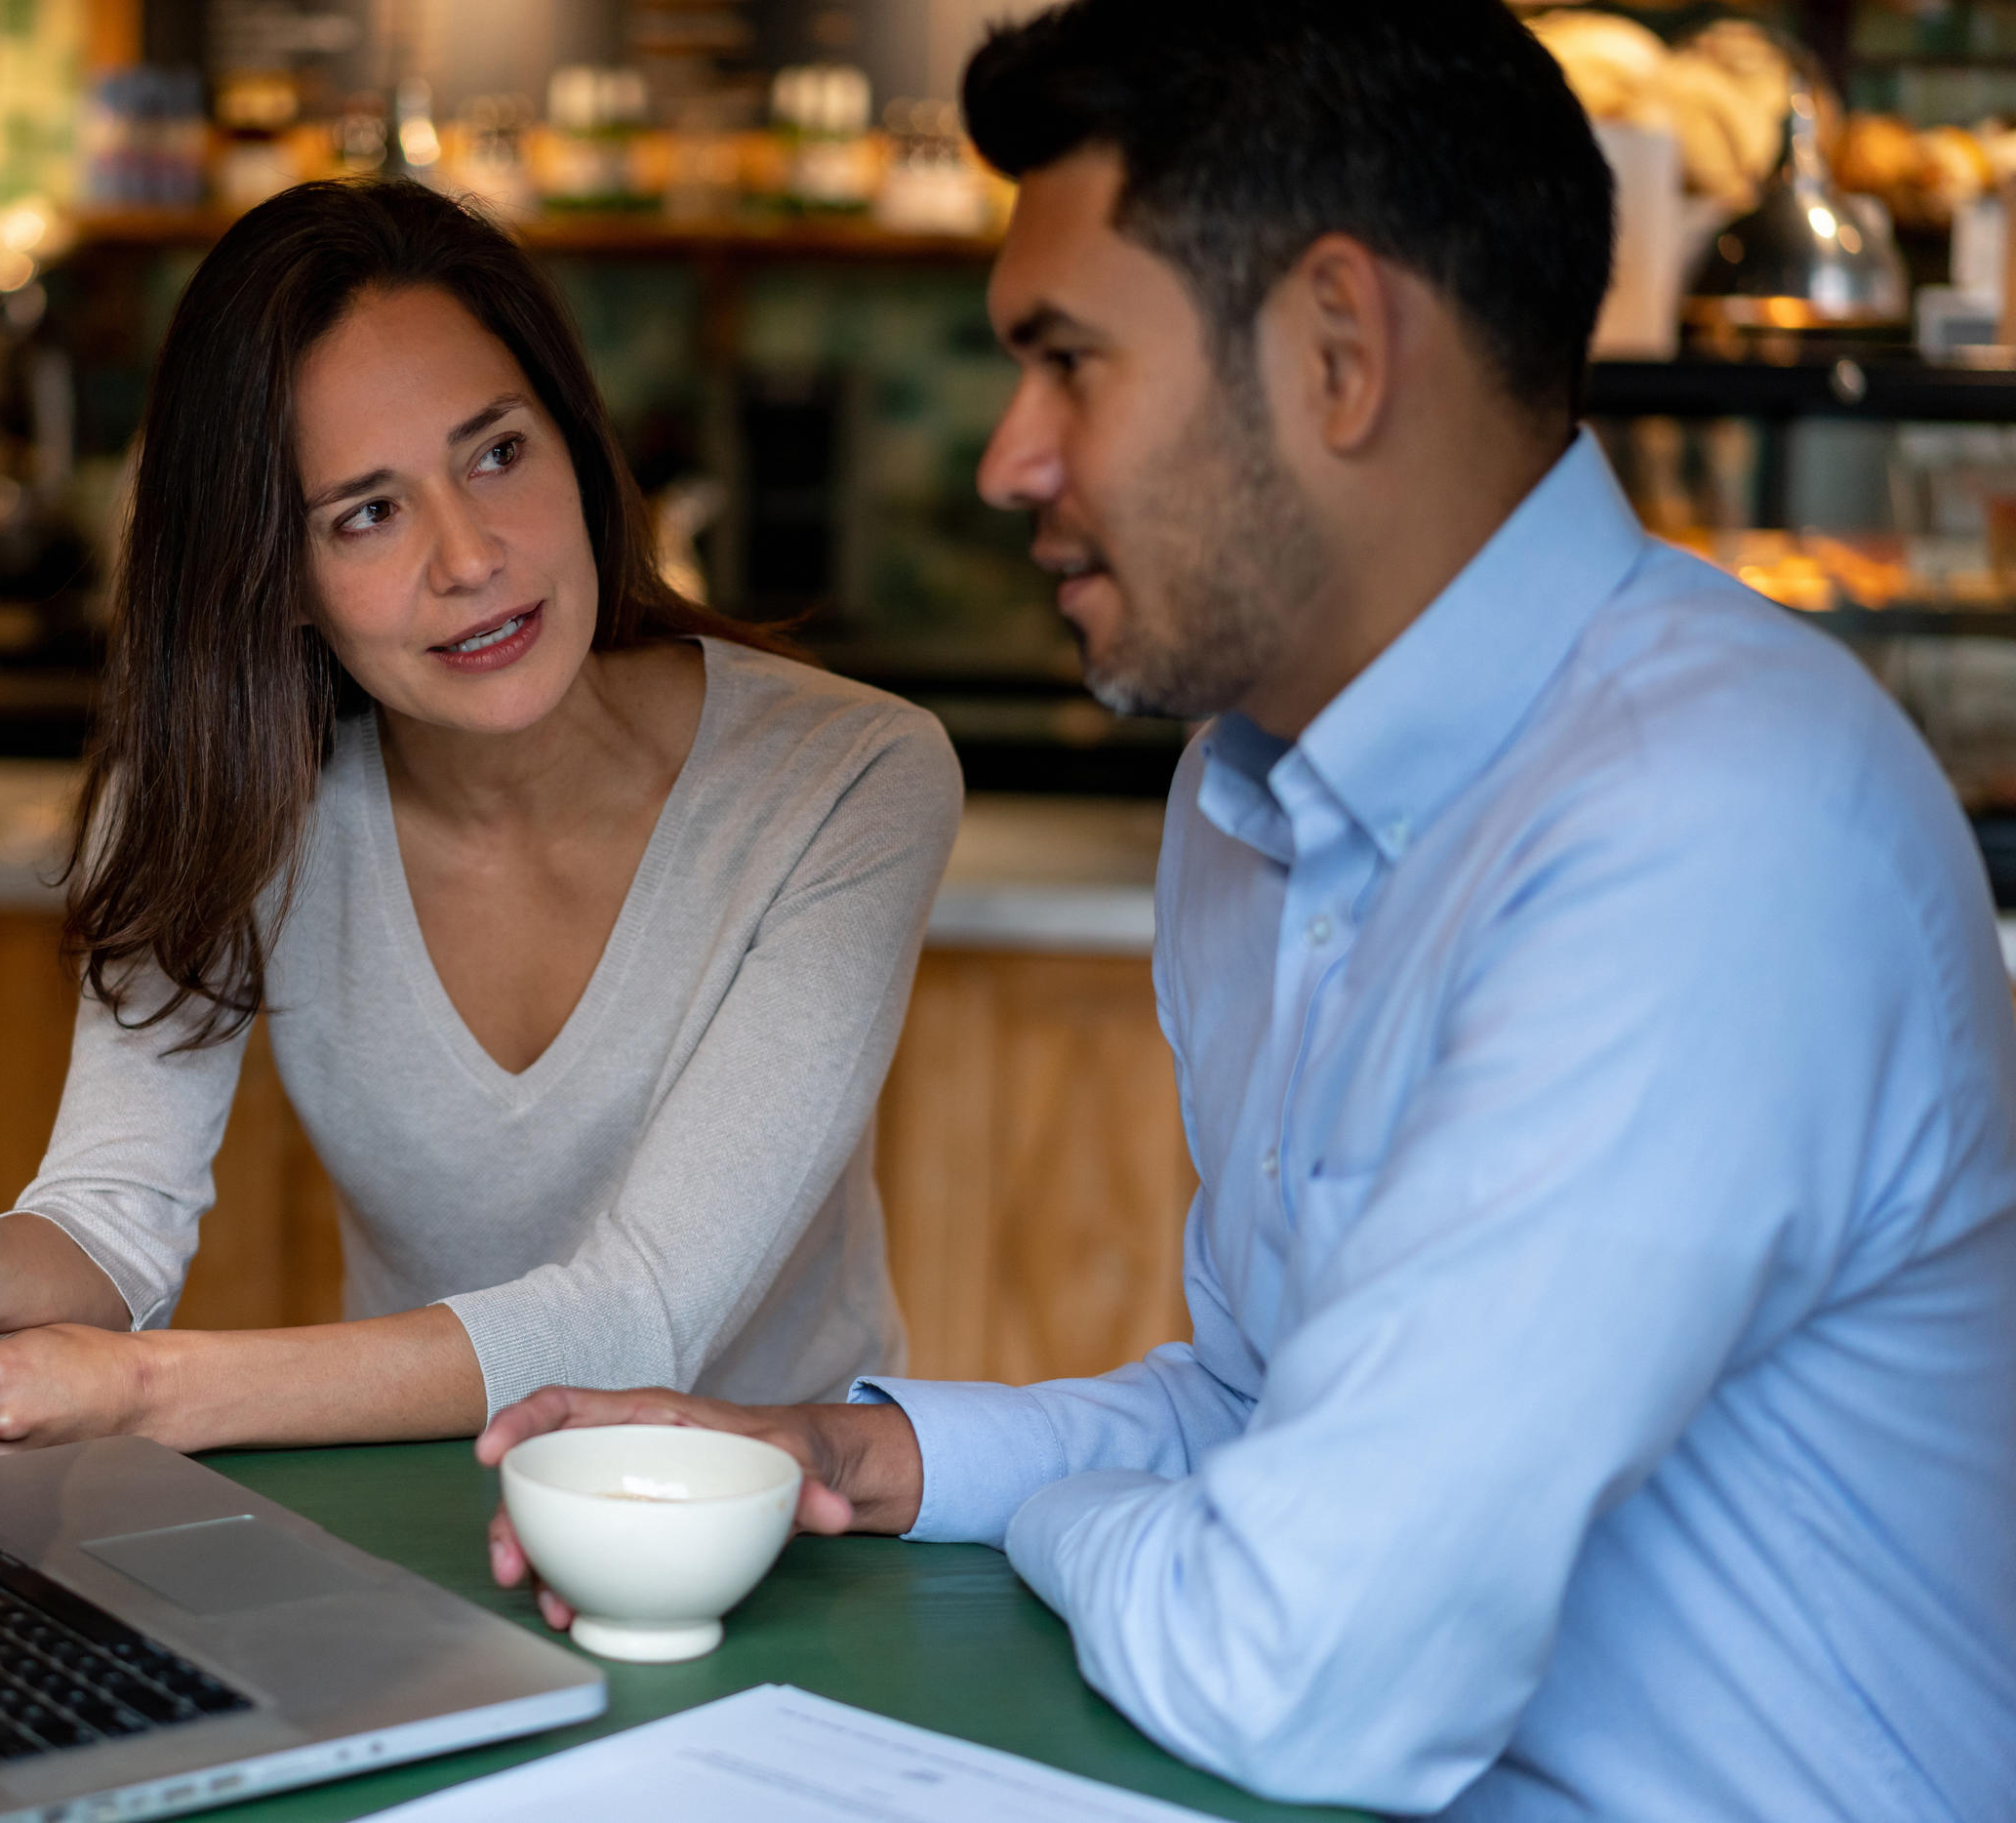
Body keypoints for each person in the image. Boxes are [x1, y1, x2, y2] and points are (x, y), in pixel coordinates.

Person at [478, 4, 2016, 1818]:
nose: (1007, 460)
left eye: (1069, 363)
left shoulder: (1712, 826)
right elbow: (1271, 1412)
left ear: (1341, 352)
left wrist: (1075, 1513)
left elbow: (1294, 1665)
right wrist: (861, 1453)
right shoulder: (1250, 793)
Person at [0, 180, 959, 1457]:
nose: (468, 556)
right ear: (279, 580)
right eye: (365, 512)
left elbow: (641, 1321)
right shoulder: (232, 799)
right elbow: (110, 1228)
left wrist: (143, 1391)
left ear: (578, 445)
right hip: (427, 1502)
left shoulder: (849, 780)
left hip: (782, 1522)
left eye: (497, 452)